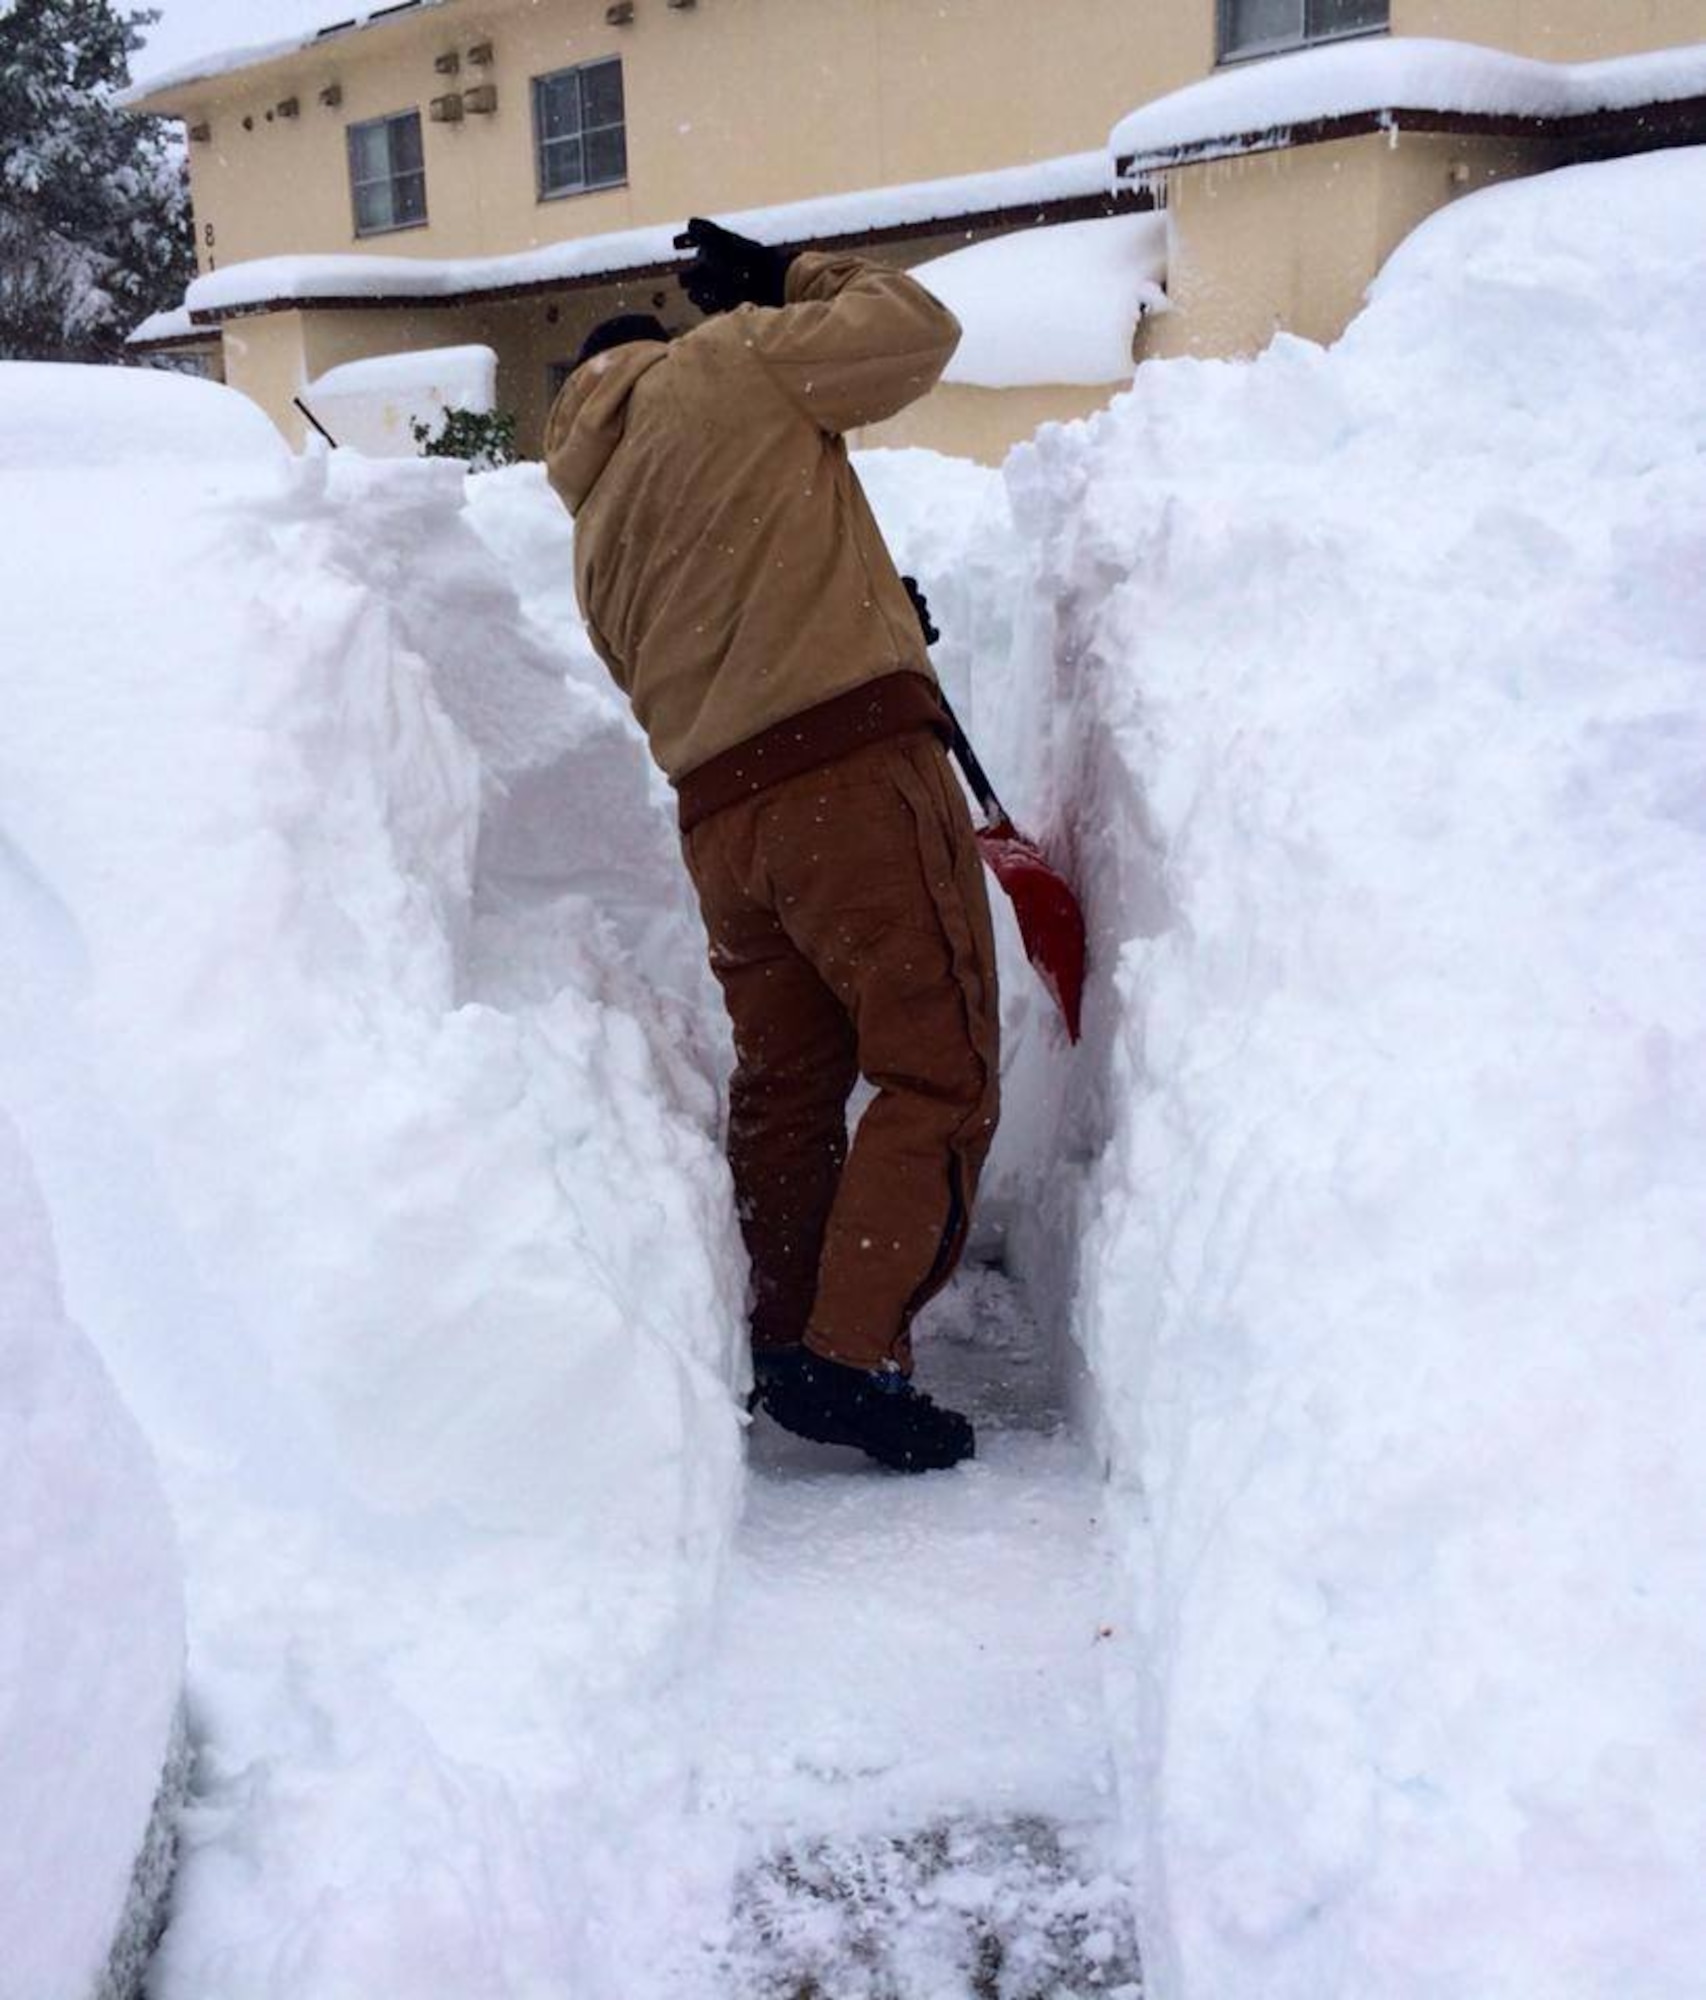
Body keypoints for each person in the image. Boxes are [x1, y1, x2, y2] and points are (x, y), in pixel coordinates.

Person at [544, 218, 999, 1473]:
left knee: (789, 1085)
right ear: (659, 347)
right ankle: (853, 1354)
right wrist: (790, 276)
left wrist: (852, 605)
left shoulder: (590, 521)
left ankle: (784, 1330)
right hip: (849, 782)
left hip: (726, 830)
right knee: (936, 1067)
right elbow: (915, 332)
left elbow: (712, 631)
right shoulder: (732, 359)